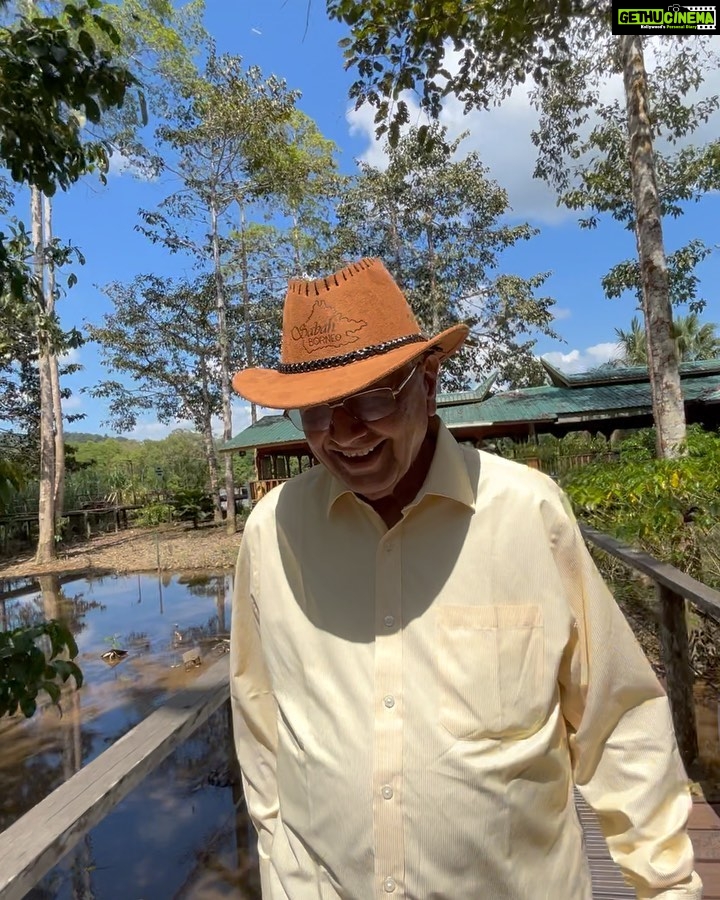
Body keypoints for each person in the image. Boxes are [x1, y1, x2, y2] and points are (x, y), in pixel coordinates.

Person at [229, 257, 701, 899]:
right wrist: (280, 868)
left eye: (372, 396)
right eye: (317, 411)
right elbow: (259, 722)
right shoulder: (271, 531)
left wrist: (665, 884)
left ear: (428, 380)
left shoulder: (527, 512)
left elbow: (617, 722)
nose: (344, 432)